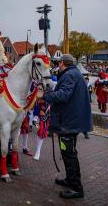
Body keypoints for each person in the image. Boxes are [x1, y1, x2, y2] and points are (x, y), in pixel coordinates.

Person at [37, 54, 92, 199]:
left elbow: (63, 95)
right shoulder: (74, 73)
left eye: (58, 63)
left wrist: (45, 95)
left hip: (69, 123)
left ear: (62, 63)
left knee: (69, 154)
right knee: (67, 152)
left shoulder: (69, 75)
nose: (57, 65)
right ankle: (69, 179)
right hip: (71, 121)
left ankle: (76, 187)